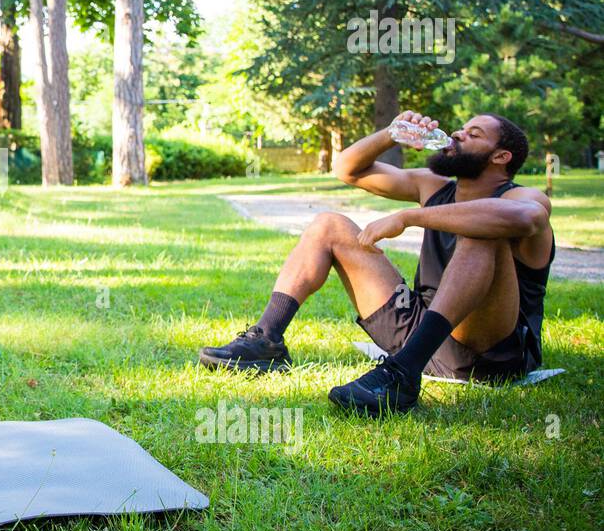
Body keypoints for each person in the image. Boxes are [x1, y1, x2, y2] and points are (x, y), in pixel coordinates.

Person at [198, 111, 554, 416]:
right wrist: (391, 133)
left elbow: (525, 218)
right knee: (329, 225)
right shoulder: (433, 186)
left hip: (490, 351)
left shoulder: (520, 196)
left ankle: (401, 375)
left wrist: (411, 217)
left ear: (501, 157)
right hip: (419, 327)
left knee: (484, 228)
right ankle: (266, 341)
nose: (459, 133)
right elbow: (347, 169)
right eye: (461, 128)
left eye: (474, 134)